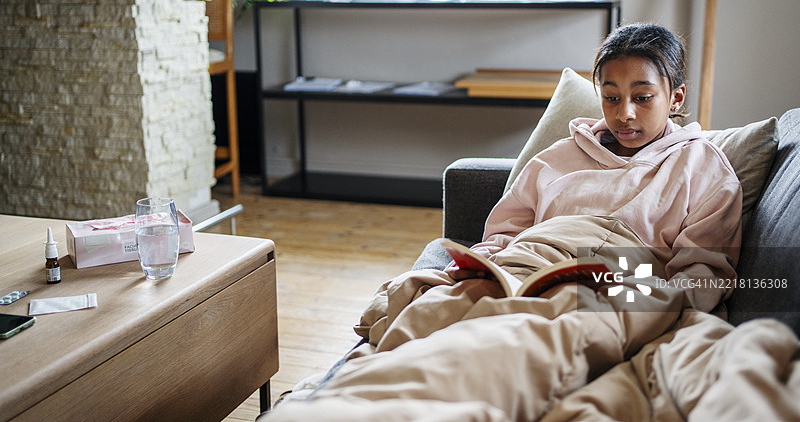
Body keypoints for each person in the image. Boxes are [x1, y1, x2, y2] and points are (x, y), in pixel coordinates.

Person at [262, 23, 743, 422]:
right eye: (611, 97)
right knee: (431, 317)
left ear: (675, 96)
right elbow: (507, 231)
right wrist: (479, 264)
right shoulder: (560, 156)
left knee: (527, 346)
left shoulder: (702, 166)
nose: (625, 113)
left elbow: (704, 268)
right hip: (526, 262)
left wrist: (656, 305)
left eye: (643, 97)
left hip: (616, 277)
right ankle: (342, 402)